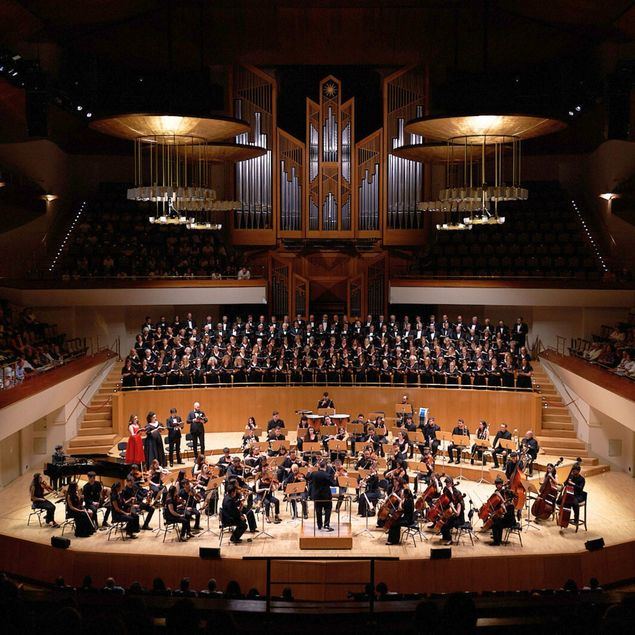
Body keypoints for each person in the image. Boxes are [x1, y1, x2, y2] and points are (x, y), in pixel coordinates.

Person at [307, 460, 334, 531]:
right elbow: (333, 484)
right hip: (326, 496)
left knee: (318, 510)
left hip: (316, 496)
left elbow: (307, 479)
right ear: (325, 466)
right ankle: (326, 525)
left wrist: (309, 471)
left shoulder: (314, 473)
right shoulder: (327, 475)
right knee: (328, 509)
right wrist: (335, 477)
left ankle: (319, 525)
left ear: (319, 466)